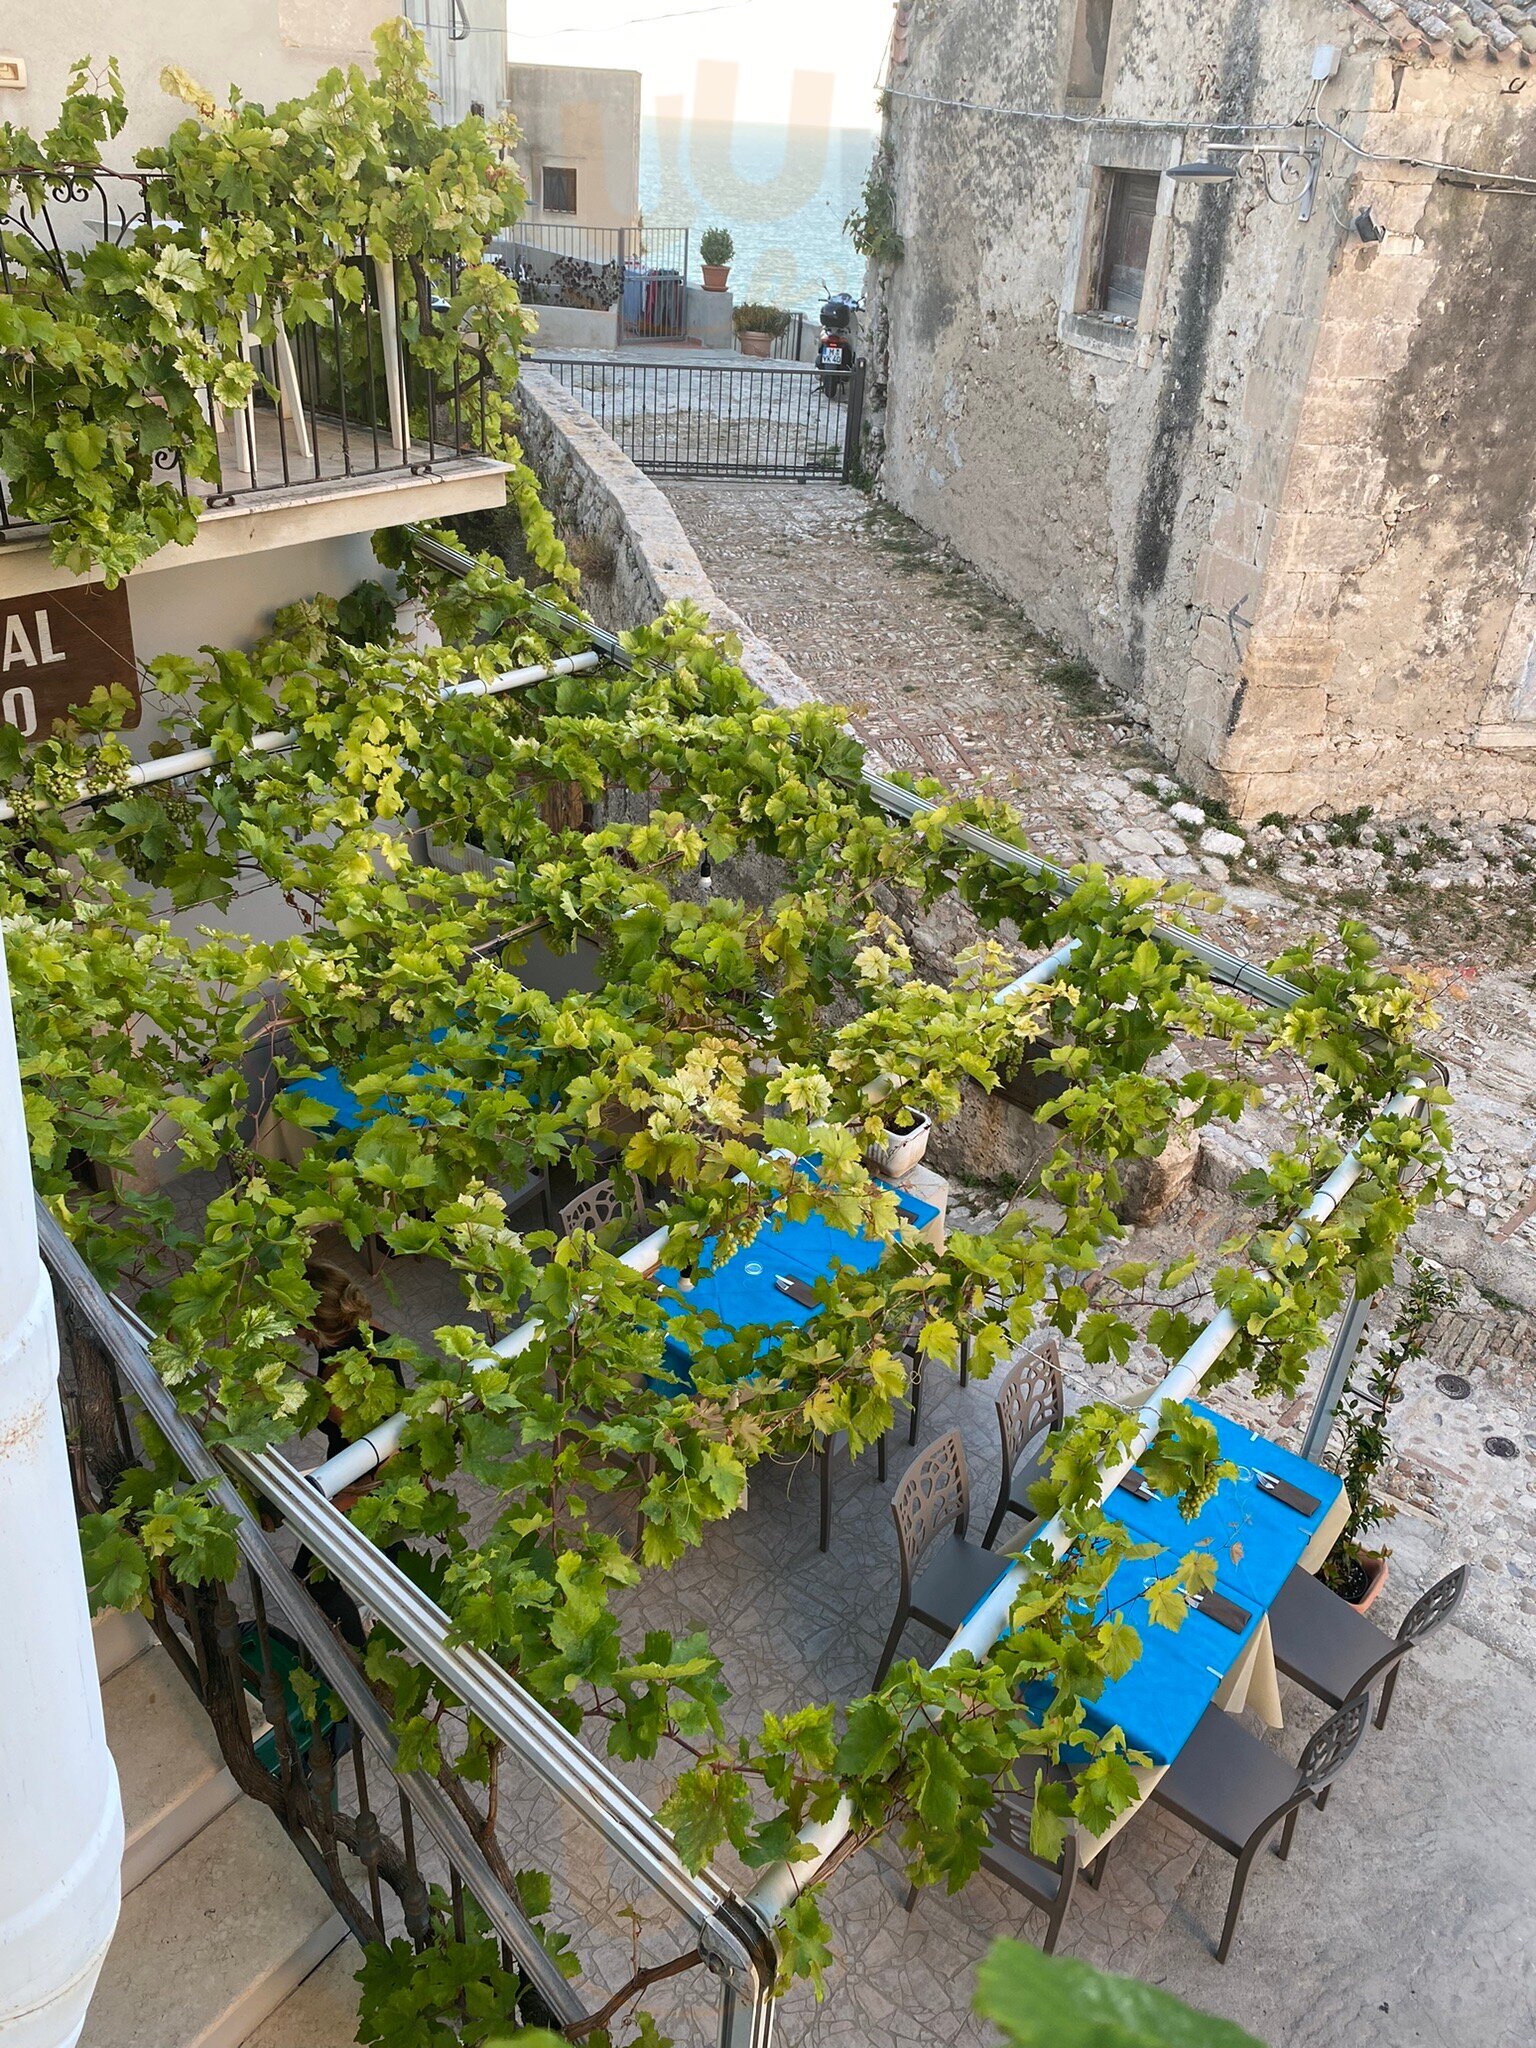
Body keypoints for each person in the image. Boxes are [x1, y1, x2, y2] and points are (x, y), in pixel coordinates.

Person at [291, 1261, 406, 1651]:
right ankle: (392, 1608)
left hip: (362, 1480)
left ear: (313, 1323)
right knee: (386, 1550)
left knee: (310, 1578)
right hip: (370, 1477)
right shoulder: (377, 1340)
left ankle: (363, 1654)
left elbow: (383, 1449)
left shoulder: (336, 1375)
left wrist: (344, 1501)